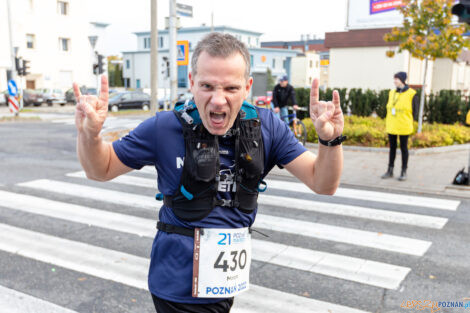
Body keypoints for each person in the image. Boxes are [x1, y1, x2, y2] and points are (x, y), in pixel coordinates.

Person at [73, 33, 345, 313]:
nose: (218, 100)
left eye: (230, 88)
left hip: (224, 286)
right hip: (176, 287)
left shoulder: (267, 127)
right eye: (207, 86)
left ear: (247, 87)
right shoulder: (164, 128)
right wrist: (90, 136)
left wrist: (331, 141)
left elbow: (323, 183)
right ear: (191, 82)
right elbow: (101, 169)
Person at [381, 71, 419, 181]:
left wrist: (411, 121)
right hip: (392, 125)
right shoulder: (392, 92)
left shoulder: (412, 93)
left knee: (404, 149)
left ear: (402, 80)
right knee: (392, 148)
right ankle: (390, 170)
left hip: (404, 126)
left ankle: (403, 171)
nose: (394, 81)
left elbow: (415, 111)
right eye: (394, 79)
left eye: (396, 79)